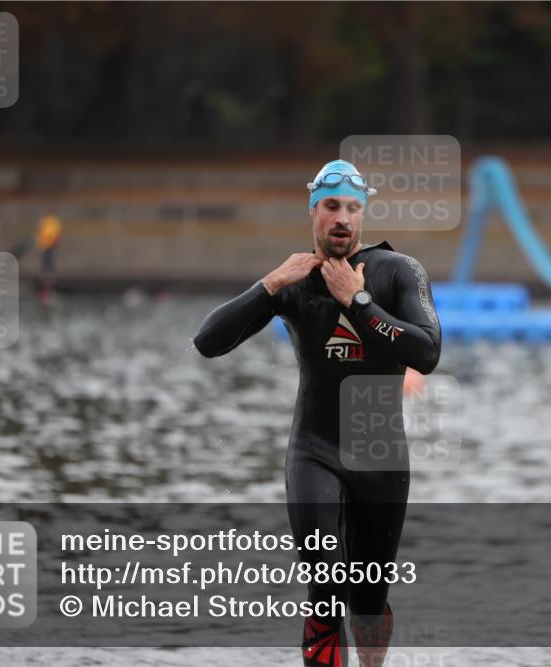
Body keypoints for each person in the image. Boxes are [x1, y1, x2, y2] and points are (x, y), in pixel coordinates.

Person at [193, 159, 441, 667]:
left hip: (380, 458)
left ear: (363, 215)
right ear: (313, 212)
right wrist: (269, 284)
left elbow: (428, 353)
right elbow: (207, 342)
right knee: (325, 587)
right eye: (331, 207)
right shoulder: (294, 281)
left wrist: (360, 301)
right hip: (314, 452)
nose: (342, 219)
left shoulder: (398, 272)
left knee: (367, 602)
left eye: (353, 208)